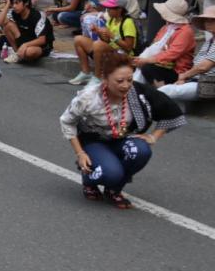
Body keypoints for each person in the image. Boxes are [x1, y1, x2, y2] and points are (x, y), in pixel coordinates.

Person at [60, 50, 185, 208]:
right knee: (111, 173)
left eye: (129, 80)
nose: (126, 85)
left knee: (142, 150)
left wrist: (154, 136)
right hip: (94, 141)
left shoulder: (139, 92)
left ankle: (114, 189)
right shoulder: (88, 97)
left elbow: (171, 112)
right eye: (119, 81)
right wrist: (80, 153)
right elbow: (67, 121)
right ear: (105, 79)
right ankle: (90, 178)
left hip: (123, 139)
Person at [70, 0, 137, 85]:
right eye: (107, 8)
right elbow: (106, 41)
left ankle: (98, 77)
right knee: (78, 39)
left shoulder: (127, 22)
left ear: (119, 9)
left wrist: (112, 36)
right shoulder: (112, 20)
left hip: (124, 55)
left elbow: (128, 47)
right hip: (113, 49)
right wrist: (98, 32)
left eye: (110, 8)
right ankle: (86, 72)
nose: (108, 11)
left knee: (98, 45)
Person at [157, 5, 215, 103]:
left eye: (211, 20)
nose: (207, 23)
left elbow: (204, 67)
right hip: (197, 81)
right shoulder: (209, 41)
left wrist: (184, 76)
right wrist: (185, 78)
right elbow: (197, 65)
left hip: (208, 84)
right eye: (206, 20)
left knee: (164, 91)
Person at [134, 0, 196, 86]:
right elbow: (154, 45)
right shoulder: (166, 27)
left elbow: (171, 54)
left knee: (148, 68)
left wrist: (147, 60)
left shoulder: (186, 31)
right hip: (162, 64)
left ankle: (160, 92)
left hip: (178, 71)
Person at [0, 0, 53, 64]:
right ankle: (17, 54)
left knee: (30, 52)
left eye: (17, 3)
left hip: (39, 46)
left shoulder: (38, 16)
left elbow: (42, 40)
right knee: (7, 25)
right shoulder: (14, 13)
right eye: (13, 3)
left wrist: (25, 45)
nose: (14, 6)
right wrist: (8, 4)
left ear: (26, 3)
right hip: (23, 41)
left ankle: (19, 55)